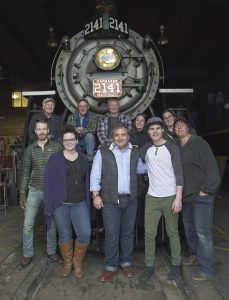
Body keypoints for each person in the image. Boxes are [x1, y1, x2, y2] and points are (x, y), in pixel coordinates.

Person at [90, 125, 140, 282]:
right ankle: (111, 267)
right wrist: (96, 195)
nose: (120, 137)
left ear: (128, 137)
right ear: (113, 137)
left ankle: (126, 263)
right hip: (111, 200)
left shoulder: (135, 152)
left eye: (123, 135)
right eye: (117, 135)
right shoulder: (103, 152)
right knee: (112, 233)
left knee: (127, 233)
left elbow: (144, 169)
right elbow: (95, 174)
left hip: (130, 200)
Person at [174, 117, 221, 282]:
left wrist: (206, 190)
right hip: (186, 196)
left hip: (201, 196)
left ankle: (206, 269)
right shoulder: (177, 146)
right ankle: (194, 254)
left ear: (188, 127)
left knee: (203, 232)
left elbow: (211, 168)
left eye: (181, 125)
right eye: (176, 126)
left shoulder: (199, 143)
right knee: (190, 229)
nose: (178, 128)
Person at [139, 116, 184, 282]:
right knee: (149, 234)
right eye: (151, 129)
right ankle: (149, 265)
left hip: (170, 196)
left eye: (158, 128)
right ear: (148, 131)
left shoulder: (172, 148)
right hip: (152, 197)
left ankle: (176, 264)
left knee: (173, 232)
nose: (155, 131)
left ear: (162, 129)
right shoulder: (145, 149)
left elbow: (179, 175)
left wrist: (178, 198)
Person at [44, 125, 91, 278]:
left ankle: (78, 262)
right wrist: (49, 204)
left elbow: (88, 181)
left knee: (85, 234)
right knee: (64, 235)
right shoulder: (54, 159)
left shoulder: (84, 159)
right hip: (60, 204)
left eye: (72, 139)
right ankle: (68, 263)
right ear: (62, 142)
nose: (69, 142)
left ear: (77, 141)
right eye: (66, 140)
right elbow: (48, 183)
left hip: (79, 203)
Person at [19, 119, 62, 269]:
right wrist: (22, 194)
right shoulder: (29, 150)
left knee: (51, 224)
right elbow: (24, 174)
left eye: (44, 129)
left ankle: (51, 251)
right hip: (34, 190)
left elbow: (62, 171)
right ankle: (27, 253)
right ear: (35, 132)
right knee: (27, 224)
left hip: (52, 192)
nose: (42, 132)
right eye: (39, 129)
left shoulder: (57, 148)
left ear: (48, 131)